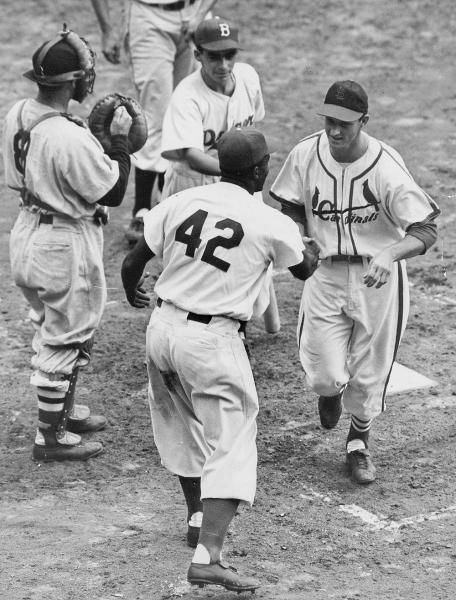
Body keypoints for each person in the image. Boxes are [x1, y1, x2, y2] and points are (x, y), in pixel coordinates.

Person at [121, 128, 319, 592]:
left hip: (161, 330)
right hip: (211, 340)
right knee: (232, 439)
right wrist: (308, 247)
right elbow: (305, 269)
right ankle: (208, 555)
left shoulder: (182, 201)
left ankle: (195, 514)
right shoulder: (268, 219)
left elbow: (134, 261)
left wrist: (133, 290)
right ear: (259, 171)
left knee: (180, 425)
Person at [270, 80, 440, 485]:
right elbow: (290, 204)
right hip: (325, 273)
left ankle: (358, 442)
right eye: (330, 121)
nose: (335, 131)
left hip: (377, 279)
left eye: (345, 123)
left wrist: (389, 253)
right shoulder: (306, 153)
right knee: (322, 374)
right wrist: (299, 235)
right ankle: (329, 394)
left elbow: (426, 229)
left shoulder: (386, 166)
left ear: (363, 121)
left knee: (369, 373)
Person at [3, 26, 133, 462]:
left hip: (27, 232)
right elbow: (112, 192)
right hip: (61, 241)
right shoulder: (68, 136)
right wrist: (118, 142)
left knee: (59, 326)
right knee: (66, 336)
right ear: (75, 82)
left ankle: (62, 416)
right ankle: (50, 437)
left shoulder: (18, 112)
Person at [90, 0, 218, 244]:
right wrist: (107, 30)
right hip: (148, 16)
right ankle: (142, 210)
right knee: (155, 113)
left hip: (195, 13)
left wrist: (200, 13)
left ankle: (171, 204)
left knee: (188, 109)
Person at [160, 15, 265, 198]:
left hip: (240, 180)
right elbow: (193, 157)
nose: (223, 66)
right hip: (193, 185)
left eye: (229, 55)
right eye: (214, 57)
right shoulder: (187, 96)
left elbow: (254, 128)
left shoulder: (248, 77)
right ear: (198, 55)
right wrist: (238, 173)